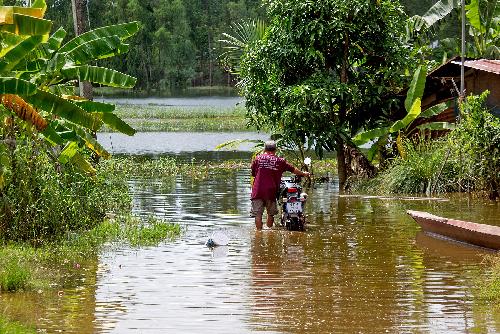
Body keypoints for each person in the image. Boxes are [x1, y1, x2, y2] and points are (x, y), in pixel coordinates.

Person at [250, 140, 310, 230]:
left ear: (264, 149)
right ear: (275, 149)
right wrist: (304, 173)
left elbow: (254, 174)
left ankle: (259, 232)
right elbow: (293, 169)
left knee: (258, 214)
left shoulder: (258, 159)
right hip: (271, 191)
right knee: (270, 214)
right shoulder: (280, 161)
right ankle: (269, 230)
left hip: (258, 190)